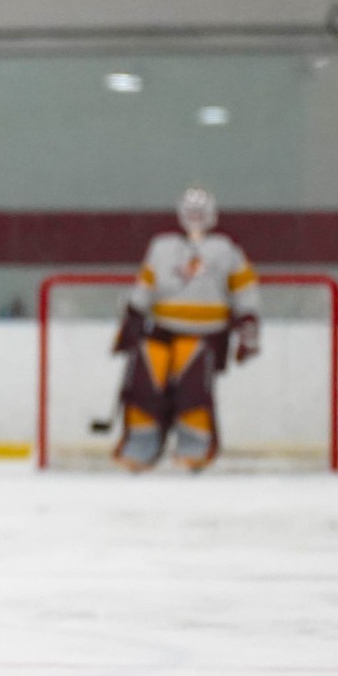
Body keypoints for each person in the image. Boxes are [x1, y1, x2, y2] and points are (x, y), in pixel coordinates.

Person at [112, 185, 261, 472]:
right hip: (162, 328)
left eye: (201, 211)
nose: (195, 217)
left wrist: (248, 327)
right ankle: (142, 439)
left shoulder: (226, 249)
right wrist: (131, 318)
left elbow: (245, 291)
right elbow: (145, 288)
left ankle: (195, 440)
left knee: (190, 373)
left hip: (208, 332)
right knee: (147, 369)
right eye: (190, 211)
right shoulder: (161, 247)